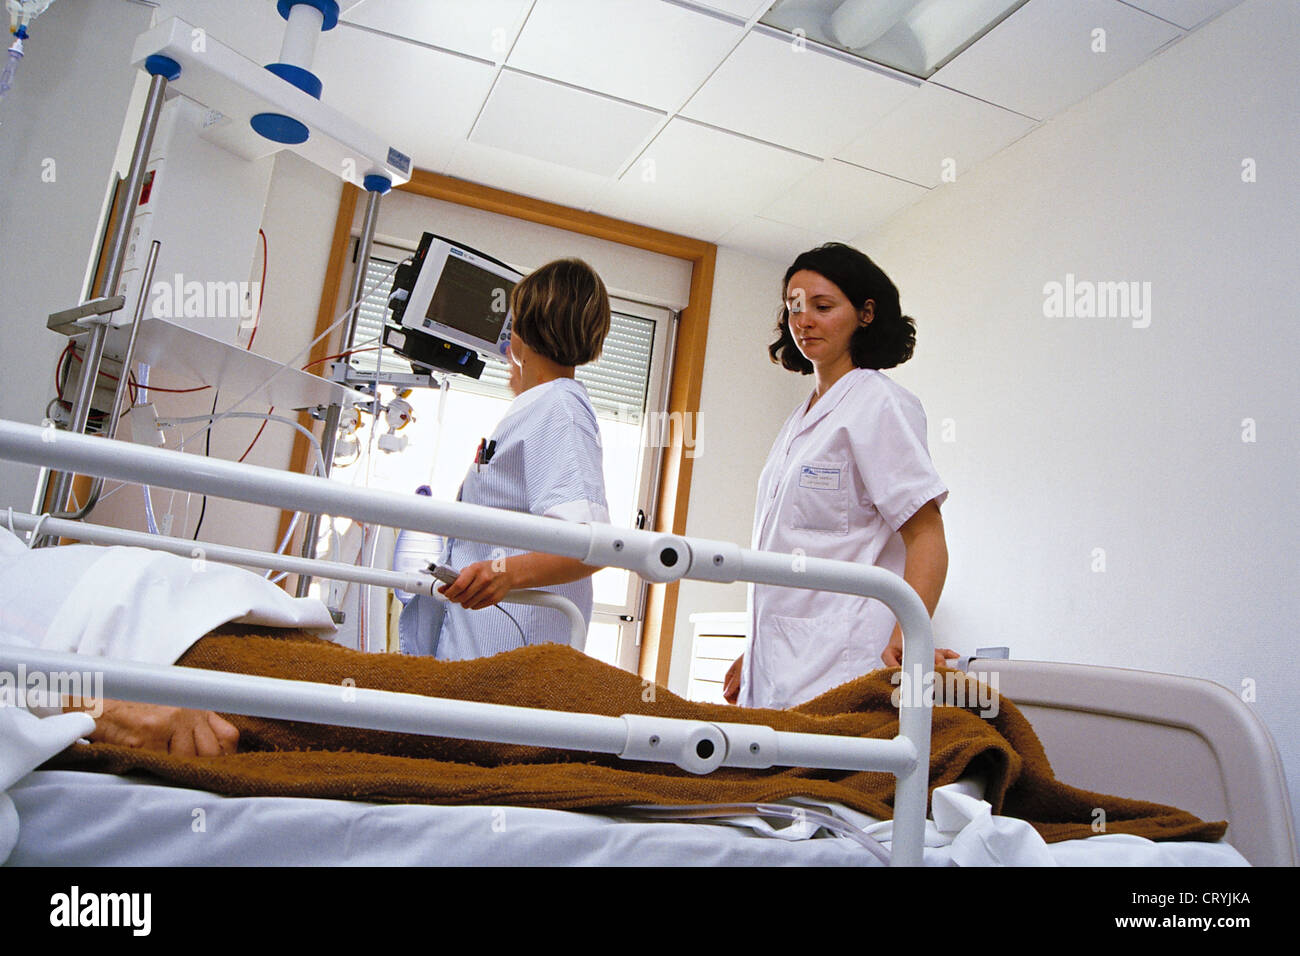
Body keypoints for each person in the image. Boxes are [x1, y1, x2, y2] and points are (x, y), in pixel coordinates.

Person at [724, 243, 954, 710]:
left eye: (823, 307)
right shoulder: (800, 421)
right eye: (794, 307)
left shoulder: (879, 404)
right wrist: (754, 650)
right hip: (780, 660)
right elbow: (792, 551)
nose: (803, 320)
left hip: (843, 656)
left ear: (865, 313)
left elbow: (927, 534)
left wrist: (909, 634)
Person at [400, 258, 611, 660]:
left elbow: (589, 543)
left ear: (520, 327)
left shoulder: (559, 406)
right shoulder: (538, 406)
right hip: (484, 648)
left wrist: (503, 573)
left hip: (511, 658)